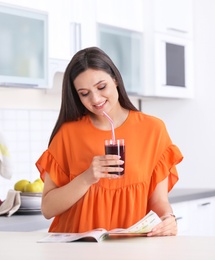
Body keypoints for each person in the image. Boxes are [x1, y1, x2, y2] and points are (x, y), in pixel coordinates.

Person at [35, 46, 183, 236]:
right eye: (84, 93)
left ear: (115, 79)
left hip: (131, 248)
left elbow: (158, 200)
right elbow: (48, 208)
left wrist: (167, 218)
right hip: (76, 249)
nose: (95, 99)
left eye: (101, 87)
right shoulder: (68, 134)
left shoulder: (153, 129)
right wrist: (87, 177)